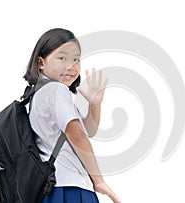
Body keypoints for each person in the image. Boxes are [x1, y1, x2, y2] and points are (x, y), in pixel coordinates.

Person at [23, 28, 120, 203]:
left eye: (76, 59)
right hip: (69, 189)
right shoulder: (55, 90)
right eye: (62, 58)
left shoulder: (41, 92)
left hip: (55, 188)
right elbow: (78, 136)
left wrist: (94, 104)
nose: (71, 66)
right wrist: (98, 180)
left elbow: (88, 130)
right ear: (41, 62)